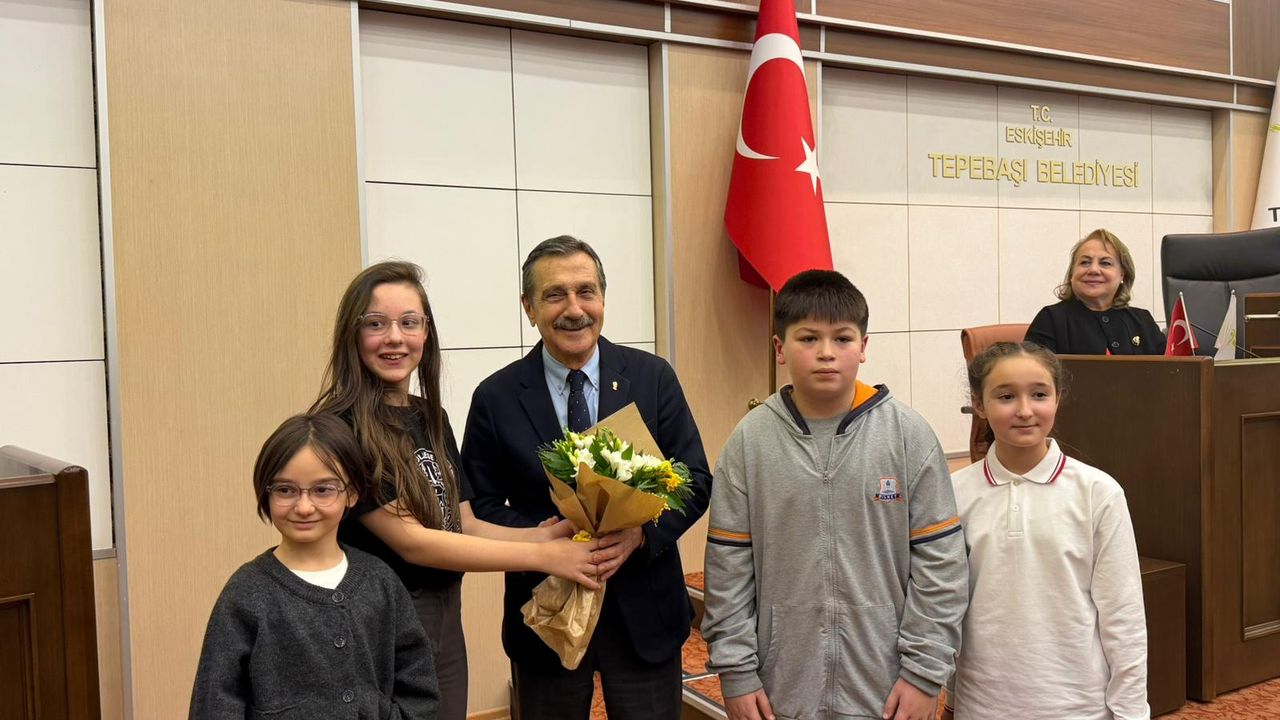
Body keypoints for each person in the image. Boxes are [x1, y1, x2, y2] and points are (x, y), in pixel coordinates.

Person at [312, 260, 601, 720]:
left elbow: (463, 523)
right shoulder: (341, 430)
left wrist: (546, 534)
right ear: (353, 333)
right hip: (382, 620)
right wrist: (543, 556)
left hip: (446, 614)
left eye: (409, 322)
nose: (395, 338)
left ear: (426, 333)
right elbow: (415, 542)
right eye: (376, 324)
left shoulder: (429, 416)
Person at [461, 235, 712, 719]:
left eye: (586, 292)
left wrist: (640, 534)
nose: (574, 309)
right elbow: (479, 504)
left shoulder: (652, 377)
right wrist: (542, 539)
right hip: (546, 618)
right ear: (529, 307)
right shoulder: (495, 396)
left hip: (644, 612)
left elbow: (696, 478)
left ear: (602, 299)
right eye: (555, 295)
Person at [702, 269, 969, 720]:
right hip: (781, 686)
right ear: (780, 349)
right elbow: (728, 569)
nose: (826, 352)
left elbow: (941, 565)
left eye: (842, 339)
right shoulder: (750, 441)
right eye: (808, 338)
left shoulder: (908, 436)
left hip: (887, 686)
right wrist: (737, 672)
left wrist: (924, 673)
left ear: (863, 347)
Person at [189, 413, 439, 719]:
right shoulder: (246, 593)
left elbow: (419, 687)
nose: (304, 507)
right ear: (266, 493)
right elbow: (214, 703)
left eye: (323, 490)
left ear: (352, 493)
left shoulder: (380, 581)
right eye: (285, 490)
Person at [948, 342, 1148, 719]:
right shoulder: (954, 493)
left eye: (1039, 395)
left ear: (1058, 398)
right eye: (1006, 396)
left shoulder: (1098, 492)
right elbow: (948, 607)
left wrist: (1131, 712)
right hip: (983, 704)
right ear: (979, 404)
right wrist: (952, 698)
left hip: (1078, 706)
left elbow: (1124, 615)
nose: (1025, 410)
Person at [1025, 228, 1166, 354]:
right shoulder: (1050, 319)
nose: (1093, 270)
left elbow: (1169, 370)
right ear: (1072, 273)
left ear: (1122, 274)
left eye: (1105, 263)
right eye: (1085, 262)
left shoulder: (1143, 321)